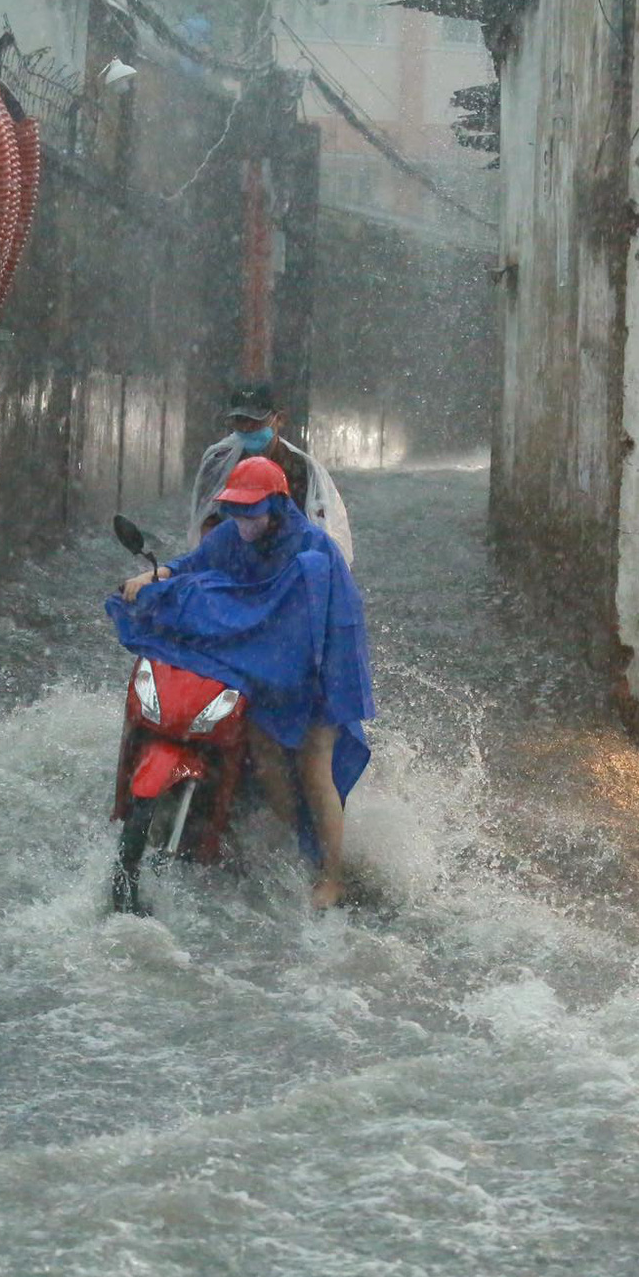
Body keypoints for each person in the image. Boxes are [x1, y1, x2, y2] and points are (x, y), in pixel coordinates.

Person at [114, 457, 373, 908]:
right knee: (265, 756)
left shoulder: (313, 552)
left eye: (252, 510)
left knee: (316, 768)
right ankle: (294, 842)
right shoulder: (232, 537)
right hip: (264, 668)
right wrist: (156, 576)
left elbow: (337, 622)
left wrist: (313, 674)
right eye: (236, 509)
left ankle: (331, 876)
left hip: (316, 672)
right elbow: (194, 564)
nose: (243, 519)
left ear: (275, 505)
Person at [187, 382, 354, 564]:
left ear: (279, 419)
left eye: (256, 421)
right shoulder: (218, 462)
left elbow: (317, 532)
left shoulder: (302, 469)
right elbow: (206, 521)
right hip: (232, 562)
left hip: (286, 566)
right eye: (240, 420)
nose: (247, 428)